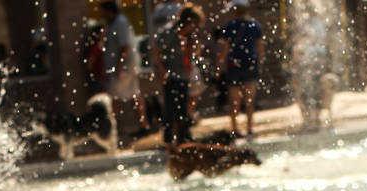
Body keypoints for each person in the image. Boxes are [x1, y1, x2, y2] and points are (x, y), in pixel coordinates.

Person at [152, 4, 204, 145]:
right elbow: (155, 49)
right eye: (194, 24)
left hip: (183, 75)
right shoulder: (170, 32)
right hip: (171, 75)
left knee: (182, 108)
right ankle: (169, 138)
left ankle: (183, 136)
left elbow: (194, 53)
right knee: (171, 108)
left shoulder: (189, 36)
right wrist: (161, 70)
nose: (195, 27)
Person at [100, 1, 151, 137]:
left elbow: (125, 46)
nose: (103, 15)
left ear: (110, 11)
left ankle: (113, 129)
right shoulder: (115, 24)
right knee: (133, 94)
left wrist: (119, 66)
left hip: (124, 68)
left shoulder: (120, 22)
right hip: (125, 67)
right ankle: (143, 125)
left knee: (114, 96)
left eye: (104, 12)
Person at [215, 0, 264, 137]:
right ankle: (250, 128)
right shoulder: (255, 25)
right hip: (250, 63)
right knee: (250, 99)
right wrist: (259, 63)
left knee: (235, 100)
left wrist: (219, 66)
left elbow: (224, 48)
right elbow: (260, 46)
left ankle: (235, 129)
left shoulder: (230, 26)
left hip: (234, 64)